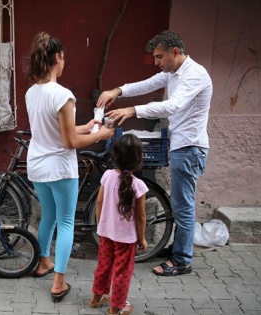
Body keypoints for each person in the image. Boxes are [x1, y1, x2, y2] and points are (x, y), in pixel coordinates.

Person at [97, 30, 212, 276]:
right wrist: (118, 91)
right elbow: (147, 84)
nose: (157, 62)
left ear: (175, 52)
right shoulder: (172, 73)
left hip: (190, 147)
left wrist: (133, 110)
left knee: (183, 206)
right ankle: (178, 249)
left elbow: (174, 105)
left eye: (160, 57)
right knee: (181, 204)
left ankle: (182, 261)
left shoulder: (195, 74)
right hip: (181, 144)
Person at [25, 32, 114, 302]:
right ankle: (58, 283)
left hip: (38, 166)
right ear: (57, 58)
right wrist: (99, 135)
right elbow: (70, 141)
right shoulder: (63, 95)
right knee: (65, 222)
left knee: (48, 218)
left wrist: (85, 126)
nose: (65, 63)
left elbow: (52, 129)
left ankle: (42, 262)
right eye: (64, 58)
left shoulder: (32, 92)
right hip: (61, 169)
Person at [88, 134, 148, 315]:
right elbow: (141, 216)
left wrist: (101, 225)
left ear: (115, 156)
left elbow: (98, 203)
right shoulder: (139, 185)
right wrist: (142, 238)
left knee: (104, 265)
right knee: (122, 272)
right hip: (126, 239)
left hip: (106, 233)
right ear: (138, 159)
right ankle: (116, 308)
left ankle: (95, 299)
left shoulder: (106, 176)